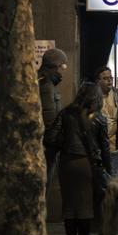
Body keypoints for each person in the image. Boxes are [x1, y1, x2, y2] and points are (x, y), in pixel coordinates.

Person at [45, 82, 110, 235]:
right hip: (87, 164)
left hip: (66, 163)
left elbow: (50, 136)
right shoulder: (99, 117)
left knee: (69, 206)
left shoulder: (65, 113)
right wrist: (108, 170)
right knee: (85, 206)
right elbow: (105, 147)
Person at [39, 47, 68, 190]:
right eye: (63, 65)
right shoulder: (47, 86)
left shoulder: (49, 83)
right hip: (48, 144)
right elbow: (49, 117)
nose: (65, 68)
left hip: (49, 143)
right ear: (56, 66)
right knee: (45, 184)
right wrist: (56, 140)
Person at [94, 66, 118, 177]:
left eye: (111, 78)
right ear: (98, 81)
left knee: (113, 177)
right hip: (97, 146)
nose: (109, 81)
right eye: (105, 78)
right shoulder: (92, 96)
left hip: (114, 145)